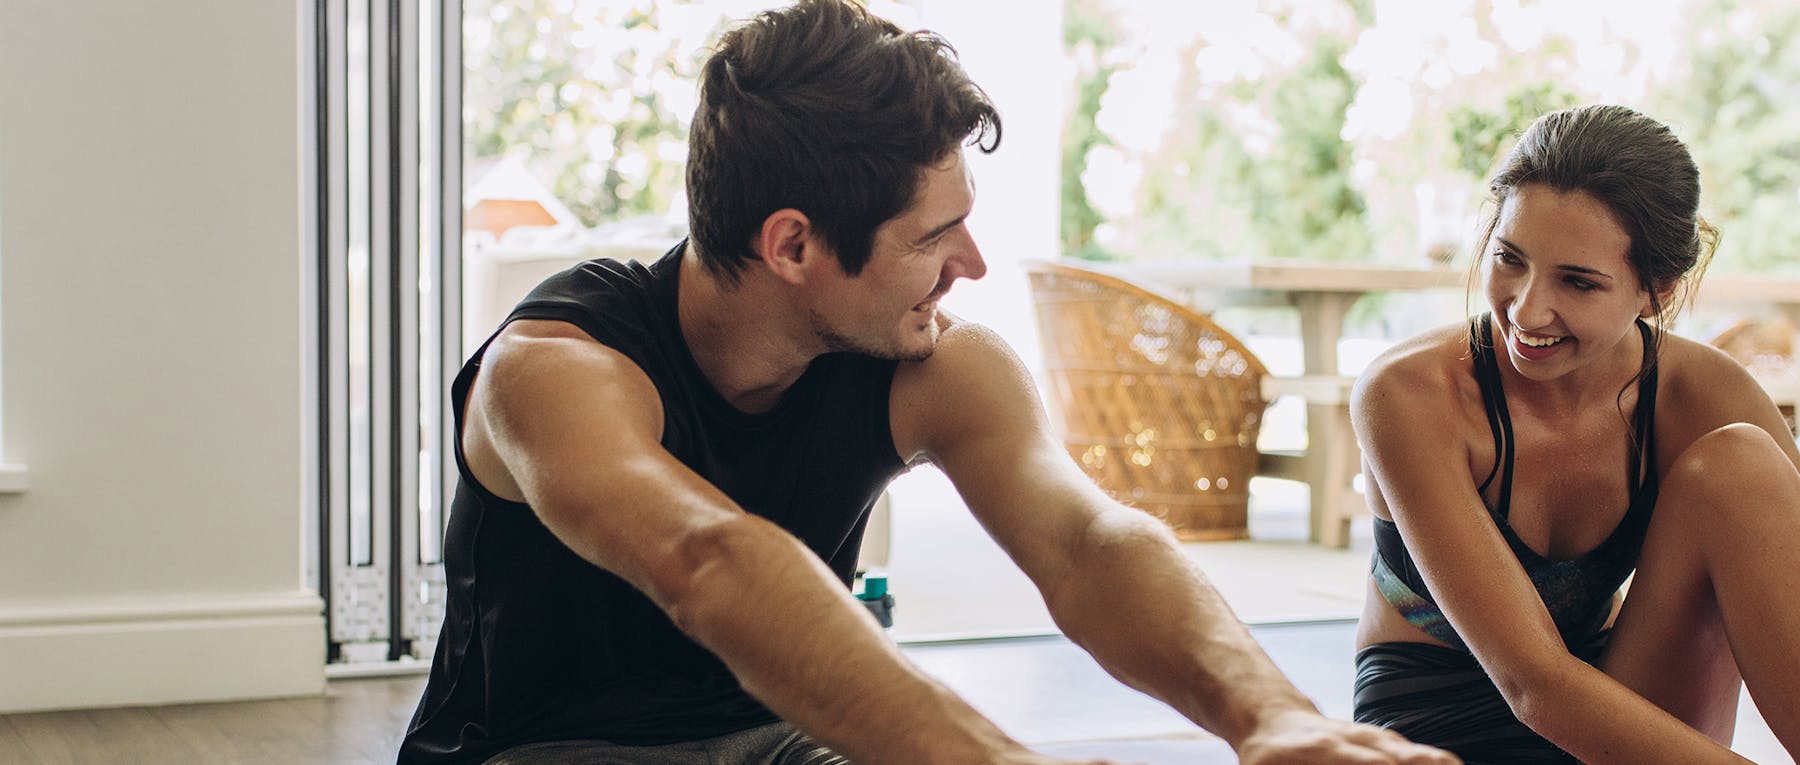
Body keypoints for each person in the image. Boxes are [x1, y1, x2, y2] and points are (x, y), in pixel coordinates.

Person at [399, 2, 1455, 763]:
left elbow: (1088, 543)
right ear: (793, 244)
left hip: (781, 741)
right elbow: (706, 563)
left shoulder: (931, 364)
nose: (973, 265)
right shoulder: (553, 370)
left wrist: (1273, 716)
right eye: (934, 235)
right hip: (538, 750)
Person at [1352, 104, 1800, 763]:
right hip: (1444, 730)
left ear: (1657, 290)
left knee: (1742, 464)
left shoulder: (1700, 392)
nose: (1527, 309)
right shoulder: (1410, 394)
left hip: (1619, 717)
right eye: (1510, 259)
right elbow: (1534, 686)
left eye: (1579, 281)